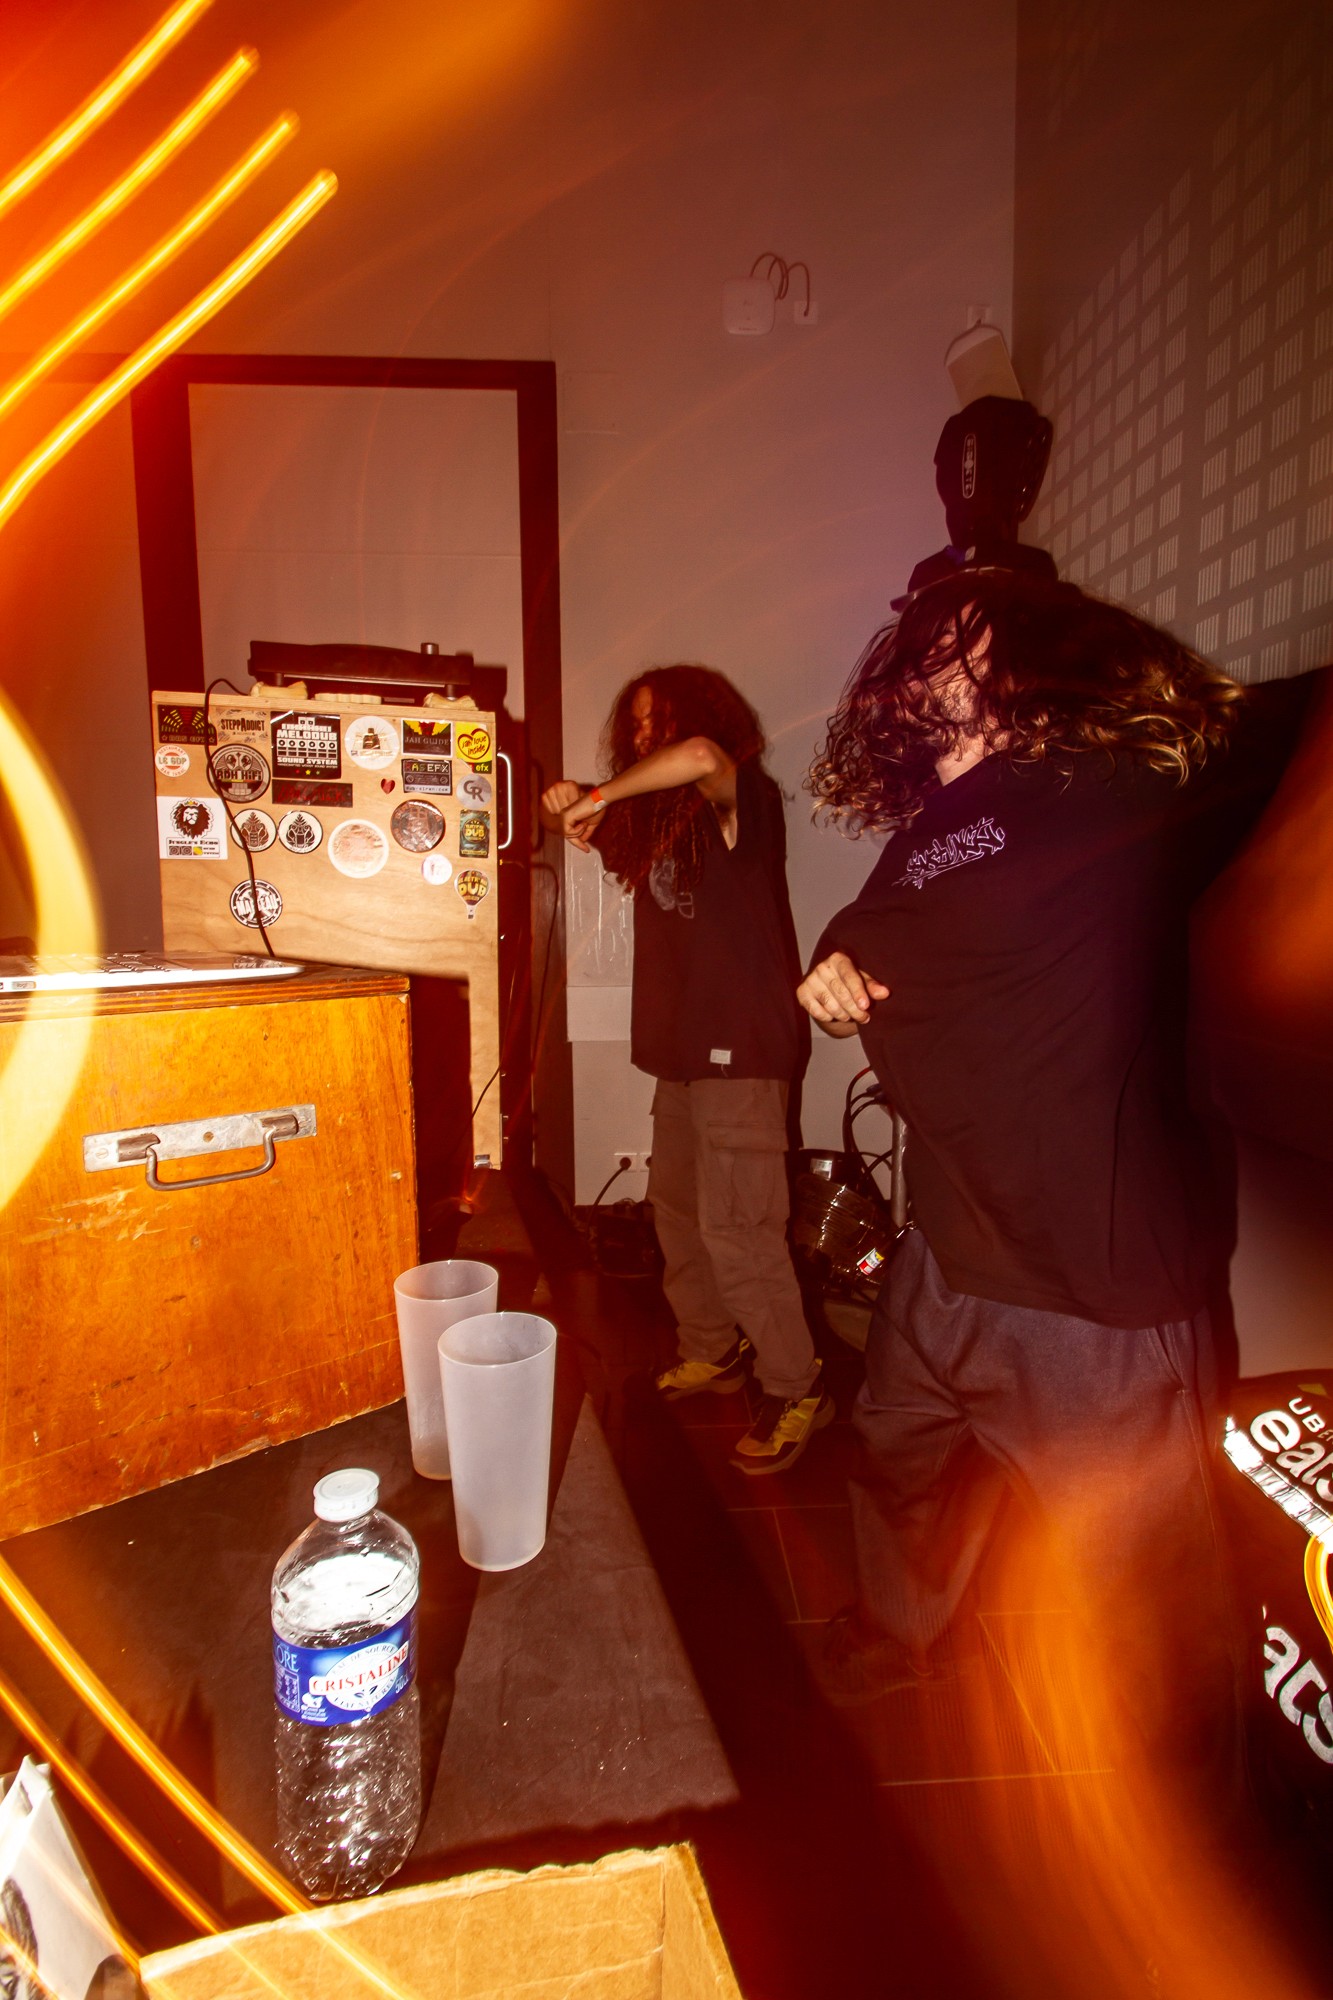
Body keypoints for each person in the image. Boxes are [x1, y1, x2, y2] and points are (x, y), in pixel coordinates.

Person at [798, 565, 1325, 1767]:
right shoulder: (927, 827)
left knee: (1144, 1579)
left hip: (1088, 1287)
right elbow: (884, 931)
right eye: (925, 638)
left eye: (967, 635)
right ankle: (898, 1633)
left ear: (1031, 656)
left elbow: (1281, 728)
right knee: (892, 1463)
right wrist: (834, 961)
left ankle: (1193, 1790)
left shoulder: (1108, 785)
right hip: (946, 1246)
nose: (934, 653)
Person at [541, 664, 831, 1473]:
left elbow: (700, 756)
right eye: (633, 726)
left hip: (742, 1047)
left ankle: (797, 1384)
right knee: (676, 1211)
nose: (644, 736)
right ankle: (711, 1347)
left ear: (700, 717)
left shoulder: (742, 798)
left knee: (740, 1230)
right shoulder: (654, 822)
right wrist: (565, 802)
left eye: (656, 720)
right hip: (682, 1050)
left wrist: (595, 794)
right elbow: (576, 818)